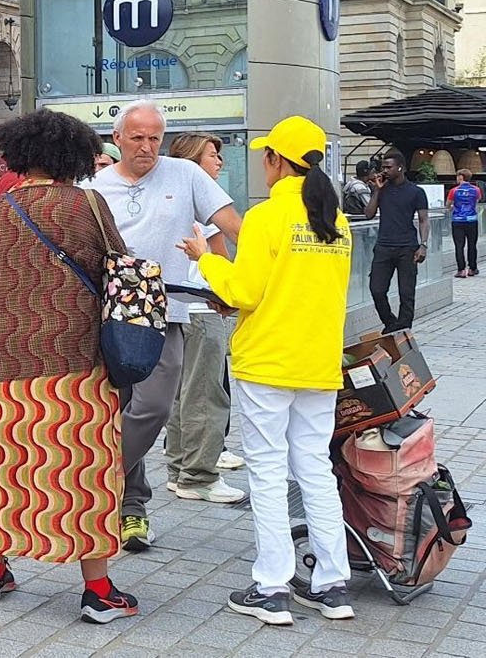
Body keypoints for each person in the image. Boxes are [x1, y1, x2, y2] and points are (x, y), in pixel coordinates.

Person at [179, 116, 354, 626]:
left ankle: (272, 586)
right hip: (318, 362)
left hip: (268, 361)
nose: (264, 163)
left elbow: (244, 292)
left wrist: (204, 259)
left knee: (269, 471)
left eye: (266, 155)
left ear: (278, 160)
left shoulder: (266, 217)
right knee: (316, 470)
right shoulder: (335, 220)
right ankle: (332, 585)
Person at [0, 108, 138, 623]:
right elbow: (119, 266)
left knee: (9, 465)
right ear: (74, 155)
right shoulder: (85, 204)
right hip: (74, 359)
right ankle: (98, 590)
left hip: (4, 357)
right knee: (84, 469)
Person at [83, 99, 243, 550]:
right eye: (137, 137)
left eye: (155, 138)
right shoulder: (93, 188)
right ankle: (131, 508)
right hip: (106, 313)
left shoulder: (185, 174)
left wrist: (243, 281)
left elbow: (234, 228)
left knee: (153, 407)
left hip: (166, 311)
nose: (147, 147)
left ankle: (94, 484)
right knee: (115, 409)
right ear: (117, 139)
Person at [163, 133, 247, 500]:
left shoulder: (168, 197)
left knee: (181, 394)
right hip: (203, 305)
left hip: (174, 306)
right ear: (194, 162)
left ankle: (178, 468)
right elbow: (222, 259)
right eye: (212, 155)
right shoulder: (205, 203)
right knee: (206, 394)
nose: (219, 162)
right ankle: (198, 478)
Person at [363, 151, 430, 332]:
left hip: (407, 247)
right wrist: (377, 190)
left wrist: (423, 245)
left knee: (406, 293)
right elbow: (368, 214)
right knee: (377, 290)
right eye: (383, 167)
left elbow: (424, 220)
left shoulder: (416, 192)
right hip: (383, 246)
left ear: (400, 168)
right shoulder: (381, 189)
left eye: (388, 167)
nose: (384, 170)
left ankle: (404, 329)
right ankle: (391, 324)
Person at [447, 168, 482, 278]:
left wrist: (452, 207)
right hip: (472, 220)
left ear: (460, 177)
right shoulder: (476, 189)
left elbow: (448, 204)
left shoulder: (453, 190)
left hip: (458, 220)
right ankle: (472, 268)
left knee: (459, 246)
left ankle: (461, 270)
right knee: (472, 245)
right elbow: (477, 201)